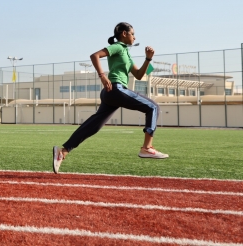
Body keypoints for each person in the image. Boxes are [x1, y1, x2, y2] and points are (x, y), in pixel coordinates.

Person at [53, 22, 169, 174]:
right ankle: (147, 148)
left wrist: (148, 59)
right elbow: (95, 56)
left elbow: (139, 75)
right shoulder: (118, 47)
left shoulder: (126, 53)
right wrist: (102, 76)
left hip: (111, 94)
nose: (135, 37)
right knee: (153, 107)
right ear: (124, 33)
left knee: (93, 126)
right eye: (133, 34)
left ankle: (62, 152)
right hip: (115, 89)